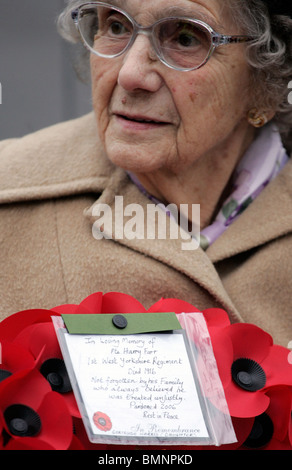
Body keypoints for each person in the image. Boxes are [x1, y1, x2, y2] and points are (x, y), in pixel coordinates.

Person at [0, 0, 291, 347]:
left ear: (269, 76)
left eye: (185, 38)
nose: (130, 74)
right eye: (116, 26)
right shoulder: (10, 201)